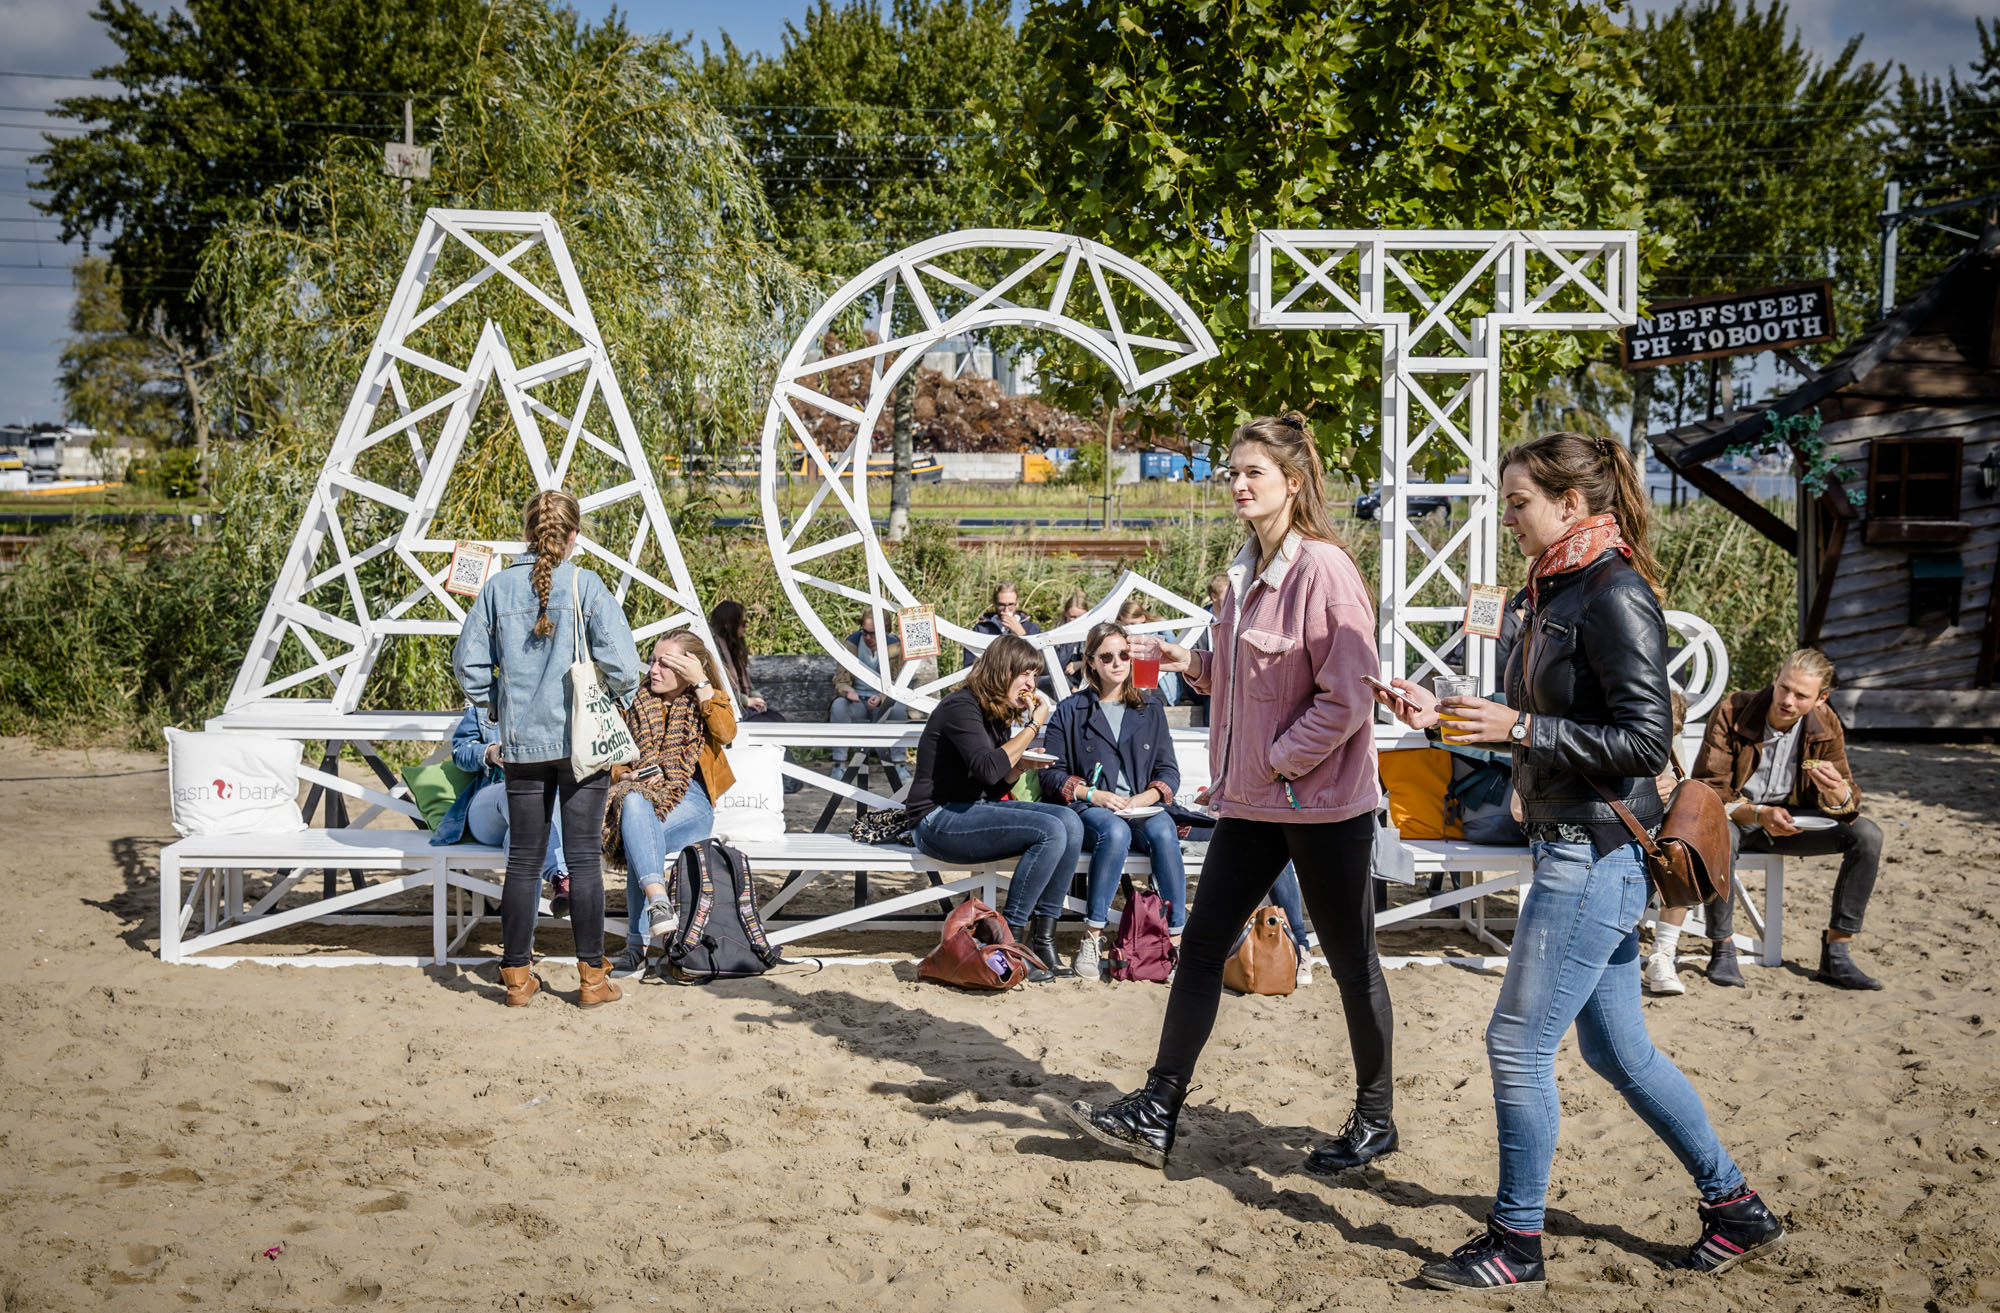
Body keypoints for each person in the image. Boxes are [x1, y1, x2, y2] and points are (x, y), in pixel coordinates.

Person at [1378, 430, 1784, 1290]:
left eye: (1519, 501)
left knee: (1517, 1045)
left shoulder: (1614, 590)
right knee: (1617, 1053)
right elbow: (1533, 731)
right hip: (1576, 849)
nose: (1508, 518)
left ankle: (1515, 1242)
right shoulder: (1553, 588)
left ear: (1572, 504)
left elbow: (1644, 739)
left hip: (1594, 856)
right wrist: (1435, 716)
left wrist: (1520, 725)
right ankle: (1735, 1206)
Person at [1059, 411, 1398, 1179]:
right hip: (1251, 799)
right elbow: (1250, 682)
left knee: (1353, 962)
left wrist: (1277, 761)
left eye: (1254, 473)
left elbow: (1346, 700)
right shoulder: (1242, 571)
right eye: (1232, 473)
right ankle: (1157, 1107)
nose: (1238, 484)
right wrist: (1192, 661)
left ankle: (1376, 1118)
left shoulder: (1325, 572)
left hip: (1320, 803)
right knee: (1204, 945)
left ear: (1295, 482)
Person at [453, 488, 641, 1009]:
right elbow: (625, 665)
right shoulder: (587, 585)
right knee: (582, 860)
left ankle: (516, 977)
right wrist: (619, 699)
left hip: (520, 745)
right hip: (581, 741)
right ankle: (592, 980)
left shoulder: (496, 589)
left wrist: (501, 706)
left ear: (525, 532)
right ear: (573, 536)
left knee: (524, 861)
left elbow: (467, 666)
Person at [1689, 648, 1883, 990]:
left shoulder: (1826, 725)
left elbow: (1849, 799)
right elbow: (1710, 789)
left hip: (1793, 821)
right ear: (1775, 679)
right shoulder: (1734, 710)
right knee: (1722, 834)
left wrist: (1837, 793)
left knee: (1867, 835)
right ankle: (1723, 947)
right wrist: (1759, 814)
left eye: (1801, 695)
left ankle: (1837, 952)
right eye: (1784, 688)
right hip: (1738, 814)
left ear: (1821, 699)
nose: (1788, 701)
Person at [909, 633, 1085, 982]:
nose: (1031, 685)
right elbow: (988, 768)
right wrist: (1034, 725)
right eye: (1025, 675)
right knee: (1050, 830)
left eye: (1035, 677)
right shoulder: (962, 707)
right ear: (1002, 672)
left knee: (1070, 821)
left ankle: (1044, 937)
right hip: (937, 820)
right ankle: (1011, 940)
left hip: (969, 811)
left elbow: (991, 782)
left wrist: (1018, 768)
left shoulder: (996, 712)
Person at [1039, 621, 1185, 981]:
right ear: (1092, 662)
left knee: (1165, 829)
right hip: (1093, 809)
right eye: (1107, 656)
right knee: (1114, 832)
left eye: (1124, 654)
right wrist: (1094, 794)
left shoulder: (1150, 707)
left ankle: (1177, 939)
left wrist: (1146, 796)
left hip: (1141, 807)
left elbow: (1169, 772)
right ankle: (1093, 935)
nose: (1118, 662)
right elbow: (1050, 773)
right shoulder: (1071, 710)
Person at [604, 630, 738, 979]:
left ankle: (636, 948)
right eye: (652, 661)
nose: (654, 670)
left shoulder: (707, 700)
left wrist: (701, 683)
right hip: (639, 796)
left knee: (638, 832)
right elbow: (614, 759)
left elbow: (726, 733)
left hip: (690, 799)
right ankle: (659, 908)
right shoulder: (631, 701)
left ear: (688, 667)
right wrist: (625, 778)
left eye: (665, 663)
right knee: (637, 817)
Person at [434, 703, 573, 917]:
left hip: (539, 808)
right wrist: (489, 752)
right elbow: (460, 751)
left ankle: (523, 942)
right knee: (516, 793)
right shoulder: (485, 701)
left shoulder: (553, 700)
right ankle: (561, 876)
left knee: (521, 837)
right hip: (491, 803)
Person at [829, 610, 910, 766]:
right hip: (857, 702)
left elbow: (899, 682)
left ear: (885, 632)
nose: (868, 638)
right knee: (839, 706)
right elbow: (840, 680)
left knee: (898, 708)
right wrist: (847, 691)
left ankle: (900, 763)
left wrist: (882, 697)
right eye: (864, 632)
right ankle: (839, 764)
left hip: (883, 703)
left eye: (873, 634)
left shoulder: (895, 647)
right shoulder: (851, 644)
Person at [963, 579, 1043, 667]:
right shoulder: (981, 629)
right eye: (1002, 605)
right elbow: (970, 664)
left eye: (1010, 604)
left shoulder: (1031, 628)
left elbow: (1041, 664)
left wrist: (1022, 635)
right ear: (994, 603)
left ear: (1017, 603)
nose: (1006, 610)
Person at [1053, 587, 1091, 687]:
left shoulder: (1093, 634)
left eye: (1081, 617)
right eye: (1073, 617)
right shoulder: (1055, 634)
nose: (1077, 621)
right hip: (1063, 684)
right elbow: (1056, 666)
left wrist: (1082, 664)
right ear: (1065, 614)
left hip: (1087, 684)